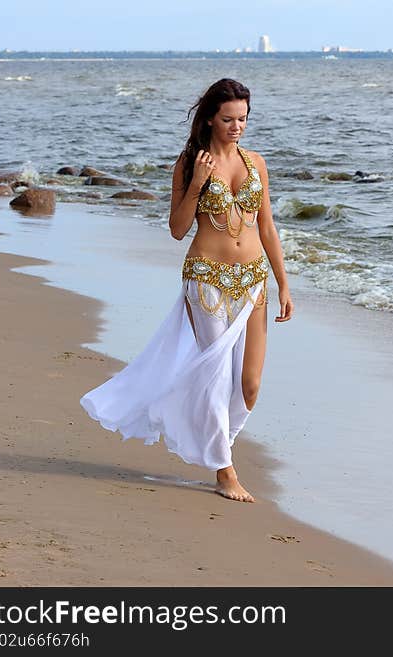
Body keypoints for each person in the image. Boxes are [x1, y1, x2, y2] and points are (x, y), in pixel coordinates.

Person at [80, 78, 293, 503]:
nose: (237, 127)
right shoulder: (188, 162)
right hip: (207, 279)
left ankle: (216, 444)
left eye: (244, 120)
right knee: (215, 378)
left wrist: (284, 283)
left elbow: (266, 225)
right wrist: (197, 182)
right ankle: (224, 470)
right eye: (229, 119)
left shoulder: (256, 163)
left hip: (253, 281)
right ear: (211, 118)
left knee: (249, 384)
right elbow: (178, 229)